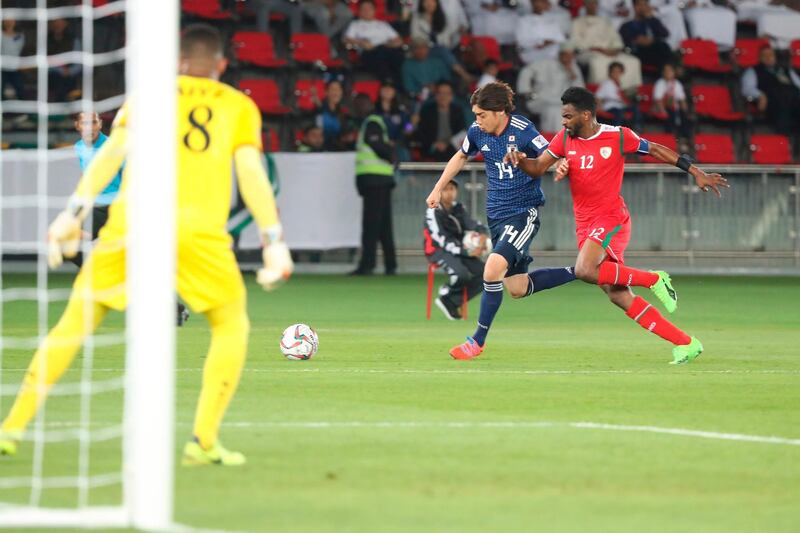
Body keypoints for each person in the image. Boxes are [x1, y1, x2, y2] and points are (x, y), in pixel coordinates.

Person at [0, 24, 295, 465]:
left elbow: (111, 156)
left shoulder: (150, 94)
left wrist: (71, 215)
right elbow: (251, 172)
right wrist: (272, 239)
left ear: (178, 63)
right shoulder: (237, 105)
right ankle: (204, 440)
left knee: (72, 325)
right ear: (221, 66)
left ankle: (11, 428)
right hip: (199, 234)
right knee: (230, 324)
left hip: (131, 225)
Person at [506, 86, 729, 364]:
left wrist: (695, 171)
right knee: (618, 295)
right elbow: (539, 167)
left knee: (585, 269)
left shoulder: (618, 136)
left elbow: (657, 150)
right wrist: (520, 160)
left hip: (611, 217)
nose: (562, 122)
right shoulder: (565, 139)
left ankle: (655, 278)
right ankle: (686, 343)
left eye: (567, 116)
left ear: (586, 115)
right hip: (585, 223)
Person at [424, 82, 579, 360]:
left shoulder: (522, 130)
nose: (477, 120)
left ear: (499, 112)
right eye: (475, 114)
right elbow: (461, 156)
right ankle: (580, 271)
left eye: (481, 114)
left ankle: (476, 341)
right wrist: (438, 187)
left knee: (491, 269)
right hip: (496, 215)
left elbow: (550, 155)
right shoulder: (477, 132)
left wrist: (561, 165)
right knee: (517, 288)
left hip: (523, 212)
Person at [424, 179, 487, 319]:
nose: (449, 193)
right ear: (439, 192)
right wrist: (468, 252)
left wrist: (482, 234)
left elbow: (472, 223)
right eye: (445, 189)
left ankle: (450, 300)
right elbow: (441, 239)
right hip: (437, 250)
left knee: (487, 274)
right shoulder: (433, 212)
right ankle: (448, 292)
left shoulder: (459, 207)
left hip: (459, 248)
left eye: (452, 189)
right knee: (461, 274)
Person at [351, 94, 397, 276]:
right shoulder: (374, 122)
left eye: (360, 103)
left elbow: (375, 143)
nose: (358, 108)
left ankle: (367, 264)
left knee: (371, 224)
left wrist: (391, 155)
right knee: (384, 225)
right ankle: (390, 265)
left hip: (374, 180)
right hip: (382, 179)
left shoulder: (371, 123)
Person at [571, 0, 642, 89]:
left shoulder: (605, 21)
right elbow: (575, 42)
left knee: (633, 61)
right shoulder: (577, 22)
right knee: (597, 63)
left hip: (609, 51)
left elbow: (615, 39)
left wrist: (615, 49)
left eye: (594, 3)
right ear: (585, 5)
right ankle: (599, 91)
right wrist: (598, 50)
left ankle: (629, 90)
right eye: (590, 3)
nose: (592, 6)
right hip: (589, 52)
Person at [517, 42, 584, 133]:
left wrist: (571, 74)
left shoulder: (574, 68)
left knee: (561, 110)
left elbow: (580, 90)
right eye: (566, 55)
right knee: (556, 110)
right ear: (560, 54)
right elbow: (526, 72)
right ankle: (552, 139)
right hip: (540, 99)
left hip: (560, 102)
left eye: (570, 55)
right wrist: (526, 91)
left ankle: (557, 140)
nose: (568, 58)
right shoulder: (546, 63)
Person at [741, 45, 800, 136]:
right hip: (772, 101)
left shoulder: (786, 70)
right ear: (760, 58)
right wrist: (760, 95)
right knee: (783, 103)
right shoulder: (753, 71)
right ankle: (784, 140)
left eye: (771, 55)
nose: (768, 57)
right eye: (765, 55)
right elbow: (747, 89)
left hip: (794, 99)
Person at [343, 0, 405, 82]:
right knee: (382, 57)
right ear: (359, 11)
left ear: (374, 10)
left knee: (399, 55)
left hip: (386, 49)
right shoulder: (355, 24)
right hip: (368, 52)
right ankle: (389, 82)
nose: (367, 11)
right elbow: (346, 39)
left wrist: (390, 44)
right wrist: (361, 42)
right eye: (364, 9)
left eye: (369, 8)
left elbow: (398, 40)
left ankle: (399, 85)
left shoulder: (383, 24)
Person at [414, 80, 466, 162]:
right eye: (440, 93)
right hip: (432, 147)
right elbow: (421, 133)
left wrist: (447, 144)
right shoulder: (427, 110)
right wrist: (435, 144)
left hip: (452, 147)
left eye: (446, 93)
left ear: (451, 96)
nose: (443, 96)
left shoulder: (457, 111)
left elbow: (461, 132)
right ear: (436, 95)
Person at [619, 0, 673, 74]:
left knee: (664, 46)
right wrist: (636, 41)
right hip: (638, 51)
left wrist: (651, 19)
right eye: (640, 5)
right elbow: (624, 41)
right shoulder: (627, 24)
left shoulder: (652, 20)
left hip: (655, 49)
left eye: (645, 5)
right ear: (634, 7)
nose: (643, 8)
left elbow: (665, 34)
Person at [515, 0, 568, 66]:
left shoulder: (552, 20)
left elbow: (561, 38)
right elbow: (521, 42)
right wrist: (541, 43)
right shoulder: (524, 21)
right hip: (531, 58)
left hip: (553, 59)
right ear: (533, 3)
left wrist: (549, 42)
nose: (545, 4)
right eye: (541, 1)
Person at [595, 61, 641, 129]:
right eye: (614, 71)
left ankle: (637, 129)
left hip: (620, 106)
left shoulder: (617, 84)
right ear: (610, 72)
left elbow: (620, 97)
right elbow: (598, 97)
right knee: (619, 112)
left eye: (618, 72)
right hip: (610, 107)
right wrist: (599, 108)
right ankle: (616, 131)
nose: (616, 74)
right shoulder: (606, 84)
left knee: (635, 108)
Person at [652, 63, 691, 139]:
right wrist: (663, 111)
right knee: (670, 115)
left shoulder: (677, 83)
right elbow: (657, 100)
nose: (668, 73)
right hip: (662, 107)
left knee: (684, 116)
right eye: (666, 71)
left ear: (674, 72)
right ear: (663, 72)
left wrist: (686, 112)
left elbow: (682, 99)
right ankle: (669, 137)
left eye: (670, 71)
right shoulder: (660, 83)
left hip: (674, 108)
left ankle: (685, 137)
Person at [48, 18, 82, 102]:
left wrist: (70, 71)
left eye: (61, 21)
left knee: (67, 83)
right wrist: (60, 70)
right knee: (58, 81)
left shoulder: (74, 41)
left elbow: (79, 65)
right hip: (51, 75)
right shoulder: (45, 41)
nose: (58, 24)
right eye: (55, 21)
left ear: (66, 24)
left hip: (69, 77)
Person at [1, 19, 25, 100]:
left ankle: (22, 111)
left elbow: (15, 51)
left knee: (20, 90)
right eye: (6, 20)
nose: (8, 22)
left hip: (15, 69)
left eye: (11, 20)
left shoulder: (20, 36)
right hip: (2, 69)